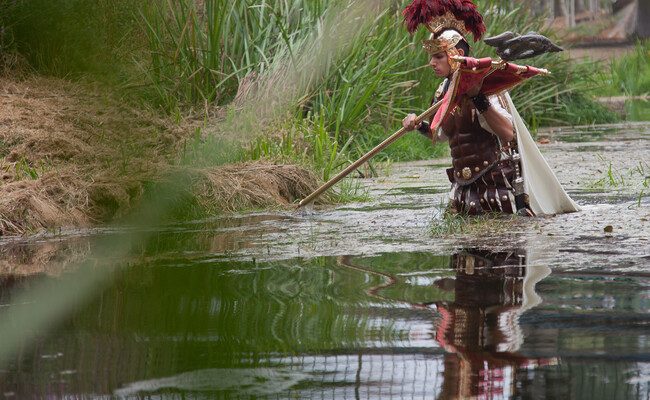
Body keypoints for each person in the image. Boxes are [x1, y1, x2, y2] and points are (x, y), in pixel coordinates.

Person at [401, 0, 580, 216]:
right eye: (432, 57)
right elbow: (444, 134)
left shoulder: (486, 84)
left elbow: (507, 133)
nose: (431, 63)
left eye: (438, 56)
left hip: (494, 181)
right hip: (461, 184)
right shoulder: (442, 92)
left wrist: (478, 98)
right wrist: (419, 125)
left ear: (456, 54)